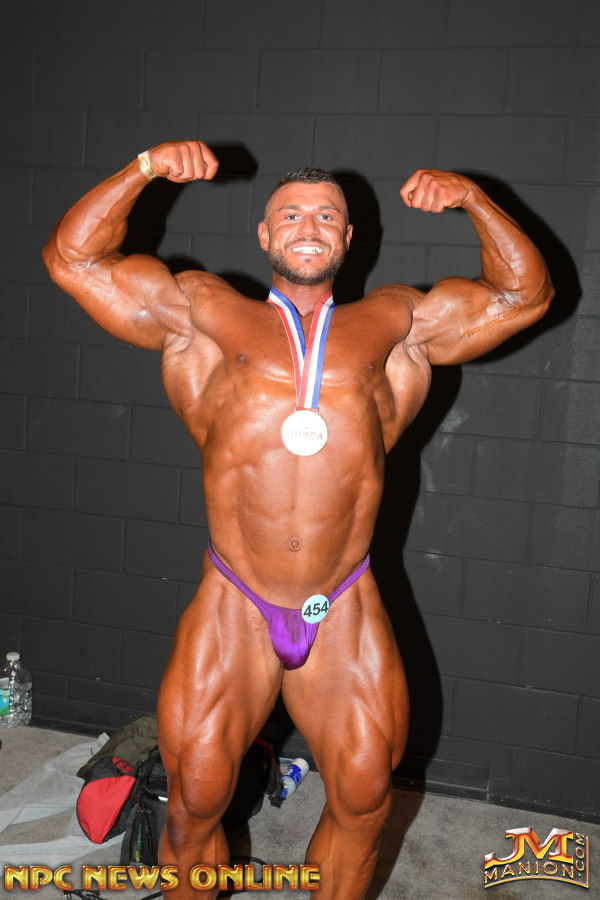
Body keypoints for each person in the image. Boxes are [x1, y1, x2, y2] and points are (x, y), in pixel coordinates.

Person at [43, 140, 553, 899]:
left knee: (365, 798)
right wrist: (144, 169)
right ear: (263, 234)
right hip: (236, 600)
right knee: (194, 801)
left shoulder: (396, 321)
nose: (307, 225)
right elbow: (73, 260)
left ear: (348, 237)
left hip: (339, 602)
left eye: (325, 216)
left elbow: (524, 296)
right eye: (289, 215)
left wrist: (475, 200)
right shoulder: (204, 312)